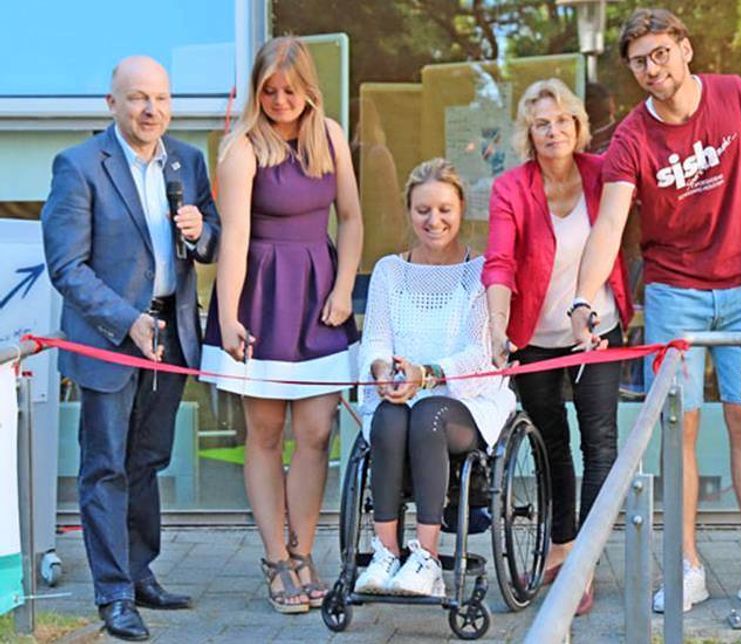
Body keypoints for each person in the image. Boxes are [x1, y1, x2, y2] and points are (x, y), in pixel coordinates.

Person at [568, 7, 741, 614]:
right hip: (674, 296)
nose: (653, 69)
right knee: (681, 430)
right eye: (640, 62)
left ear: (685, 48)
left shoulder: (733, 96)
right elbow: (609, 226)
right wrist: (582, 298)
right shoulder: (630, 138)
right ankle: (685, 567)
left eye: (661, 54)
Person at [40, 56, 219, 640]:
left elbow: (212, 237)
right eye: (139, 98)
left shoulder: (188, 161)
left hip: (172, 333)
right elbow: (67, 267)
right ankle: (113, 595)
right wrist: (127, 321)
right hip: (111, 339)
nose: (152, 110)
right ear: (111, 103)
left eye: (162, 99)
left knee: (148, 461)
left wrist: (201, 231)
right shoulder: (79, 166)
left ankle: (140, 572)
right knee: (106, 467)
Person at [199, 37, 363, 613]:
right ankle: (275, 560)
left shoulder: (331, 135)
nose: (279, 99)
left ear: (308, 87)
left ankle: (304, 551)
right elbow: (236, 239)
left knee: (316, 433)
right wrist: (229, 317)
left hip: (319, 297)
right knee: (265, 436)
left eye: (289, 89)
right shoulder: (242, 147)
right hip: (262, 299)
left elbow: (350, 217)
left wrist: (344, 289)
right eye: (269, 90)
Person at [483, 78, 632, 616]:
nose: (552, 131)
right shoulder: (511, 188)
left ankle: (583, 562)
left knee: (601, 444)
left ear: (577, 126)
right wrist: (499, 325)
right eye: (541, 123)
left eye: (561, 121)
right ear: (529, 133)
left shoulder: (602, 174)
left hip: (598, 328)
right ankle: (561, 544)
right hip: (535, 338)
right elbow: (499, 261)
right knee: (551, 445)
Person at [353, 158, 516, 597]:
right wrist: (383, 371)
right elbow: (375, 341)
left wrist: (428, 374)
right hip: (402, 396)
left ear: (461, 209)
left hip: (463, 401)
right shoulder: (390, 271)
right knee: (388, 416)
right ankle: (385, 552)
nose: (434, 220)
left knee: (427, 414)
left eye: (444, 209)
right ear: (409, 212)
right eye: (423, 210)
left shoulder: (480, 273)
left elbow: (480, 354)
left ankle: (426, 558)